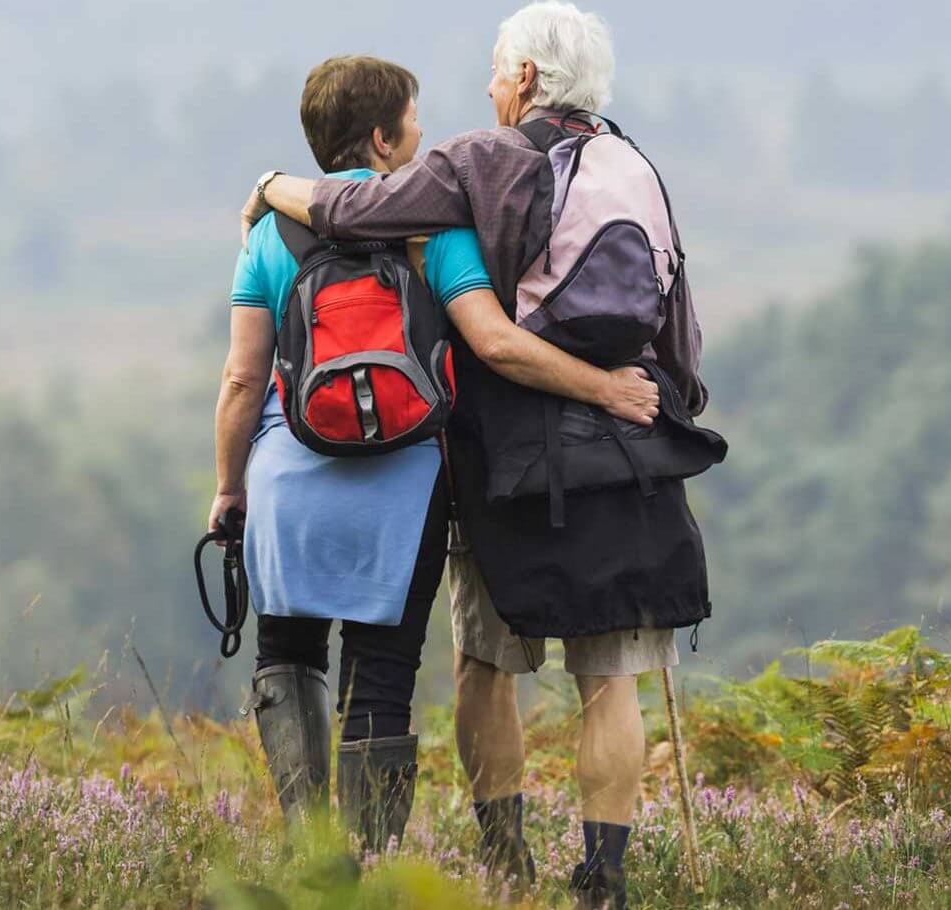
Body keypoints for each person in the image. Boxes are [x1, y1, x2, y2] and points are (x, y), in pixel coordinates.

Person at [239, 5, 713, 907]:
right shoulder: (635, 164)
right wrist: (652, 408)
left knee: (485, 666)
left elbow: (350, 207)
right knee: (611, 684)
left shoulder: (478, 162)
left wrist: (269, 183)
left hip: (504, 462)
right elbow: (677, 312)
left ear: (528, 79)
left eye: (499, 72)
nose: (491, 88)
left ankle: (505, 866)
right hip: (627, 453)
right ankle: (602, 882)